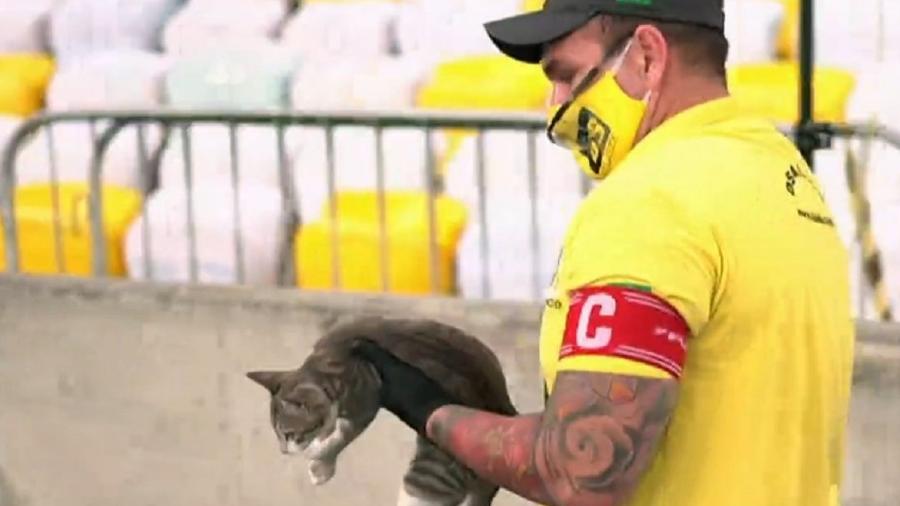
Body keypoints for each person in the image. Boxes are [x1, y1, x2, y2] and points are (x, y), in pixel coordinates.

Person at [354, 0, 857, 504]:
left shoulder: (650, 200)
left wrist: (426, 406)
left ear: (645, 57)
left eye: (567, 75)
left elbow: (581, 470)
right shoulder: (788, 179)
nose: (556, 106)